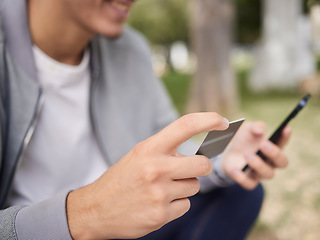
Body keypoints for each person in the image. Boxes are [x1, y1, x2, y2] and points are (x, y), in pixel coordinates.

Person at [0, 0, 291, 239]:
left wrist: (221, 161)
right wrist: (87, 213)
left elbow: (165, 152)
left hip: (131, 228)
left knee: (240, 194)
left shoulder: (130, 49)